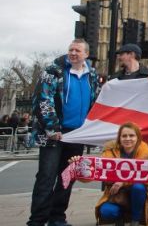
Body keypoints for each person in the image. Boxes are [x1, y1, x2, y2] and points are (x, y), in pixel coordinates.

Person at [28, 39, 101, 226]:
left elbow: (97, 101)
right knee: (46, 177)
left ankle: (57, 217)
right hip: (54, 134)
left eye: (77, 50)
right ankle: (37, 220)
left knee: (67, 177)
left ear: (86, 54)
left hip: (76, 134)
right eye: (71, 49)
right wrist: (52, 128)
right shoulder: (53, 71)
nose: (73, 53)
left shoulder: (92, 74)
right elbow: (43, 99)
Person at [88, 122, 148, 225]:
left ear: (137, 137)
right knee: (107, 212)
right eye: (124, 136)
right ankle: (120, 218)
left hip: (138, 194)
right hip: (116, 194)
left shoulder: (146, 151)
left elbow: (147, 179)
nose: (127, 138)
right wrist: (78, 164)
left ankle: (135, 221)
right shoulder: (109, 152)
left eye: (131, 135)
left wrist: (123, 181)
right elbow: (102, 175)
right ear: (119, 138)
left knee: (138, 187)